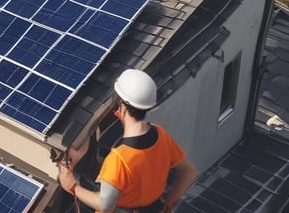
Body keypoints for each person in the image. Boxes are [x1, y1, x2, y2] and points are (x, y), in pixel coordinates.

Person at [57, 69, 198, 213]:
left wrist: (72, 186)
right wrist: (167, 206)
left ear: (122, 106)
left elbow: (105, 205)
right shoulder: (161, 134)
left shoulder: (119, 159)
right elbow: (189, 172)